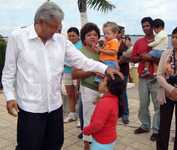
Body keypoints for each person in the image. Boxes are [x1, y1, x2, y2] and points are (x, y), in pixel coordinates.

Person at [2, 2, 122, 150]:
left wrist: (105, 69)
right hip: (30, 108)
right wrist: (9, 96)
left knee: (55, 144)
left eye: (59, 27)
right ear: (40, 22)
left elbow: (82, 61)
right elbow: (8, 71)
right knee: (29, 146)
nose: (57, 31)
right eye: (54, 27)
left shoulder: (60, 41)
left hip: (54, 106)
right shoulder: (17, 37)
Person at [72, 22, 103, 150]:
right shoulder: (80, 52)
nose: (92, 37)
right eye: (89, 34)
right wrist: (92, 71)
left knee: (101, 118)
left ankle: (100, 142)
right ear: (84, 37)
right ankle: (87, 144)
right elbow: (75, 74)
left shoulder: (101, 51)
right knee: (88, 117)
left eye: (95, 34)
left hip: (103, 90)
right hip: (89, 89)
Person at [131, 17, 160, 141]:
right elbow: (133, 58)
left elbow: (164, 58)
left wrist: (150, 58)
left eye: (147, 25)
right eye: (143, 26)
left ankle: (157, 130)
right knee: (143, 104)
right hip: (142, 78)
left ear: (152, 26)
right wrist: (141, 57)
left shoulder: (160, 40)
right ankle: (145, 125)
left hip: (157, 78)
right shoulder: (138, 42)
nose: (145, 28)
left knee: (158, 105)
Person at [83, 74, 125, 150]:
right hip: (109, 139)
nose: (99, 82)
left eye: (103, 80)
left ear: (108, 87)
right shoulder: (114, 99)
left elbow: (97, 124)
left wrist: (86, 130)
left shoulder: (105, 102)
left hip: (101, 142)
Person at [63, 27, 82, 123]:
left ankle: (80, 117)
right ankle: (72, 114)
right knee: (70, 94)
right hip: (66, 71)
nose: (71, 38)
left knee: (79, 94)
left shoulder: (81, 45)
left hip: (77, 72)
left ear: (78, 36)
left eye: (73, 35)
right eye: (69, 36)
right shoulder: (66, 44)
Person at [117, 26, 130, 124]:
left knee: (123, 93)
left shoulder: (124, 45)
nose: (116, 34)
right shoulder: (109, 43)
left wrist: (116, 62)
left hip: (123, 71)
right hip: (113, 71)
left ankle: (125, 114)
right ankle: (118, 112)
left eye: (118, 32)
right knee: (115, 92)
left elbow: (126, 58)